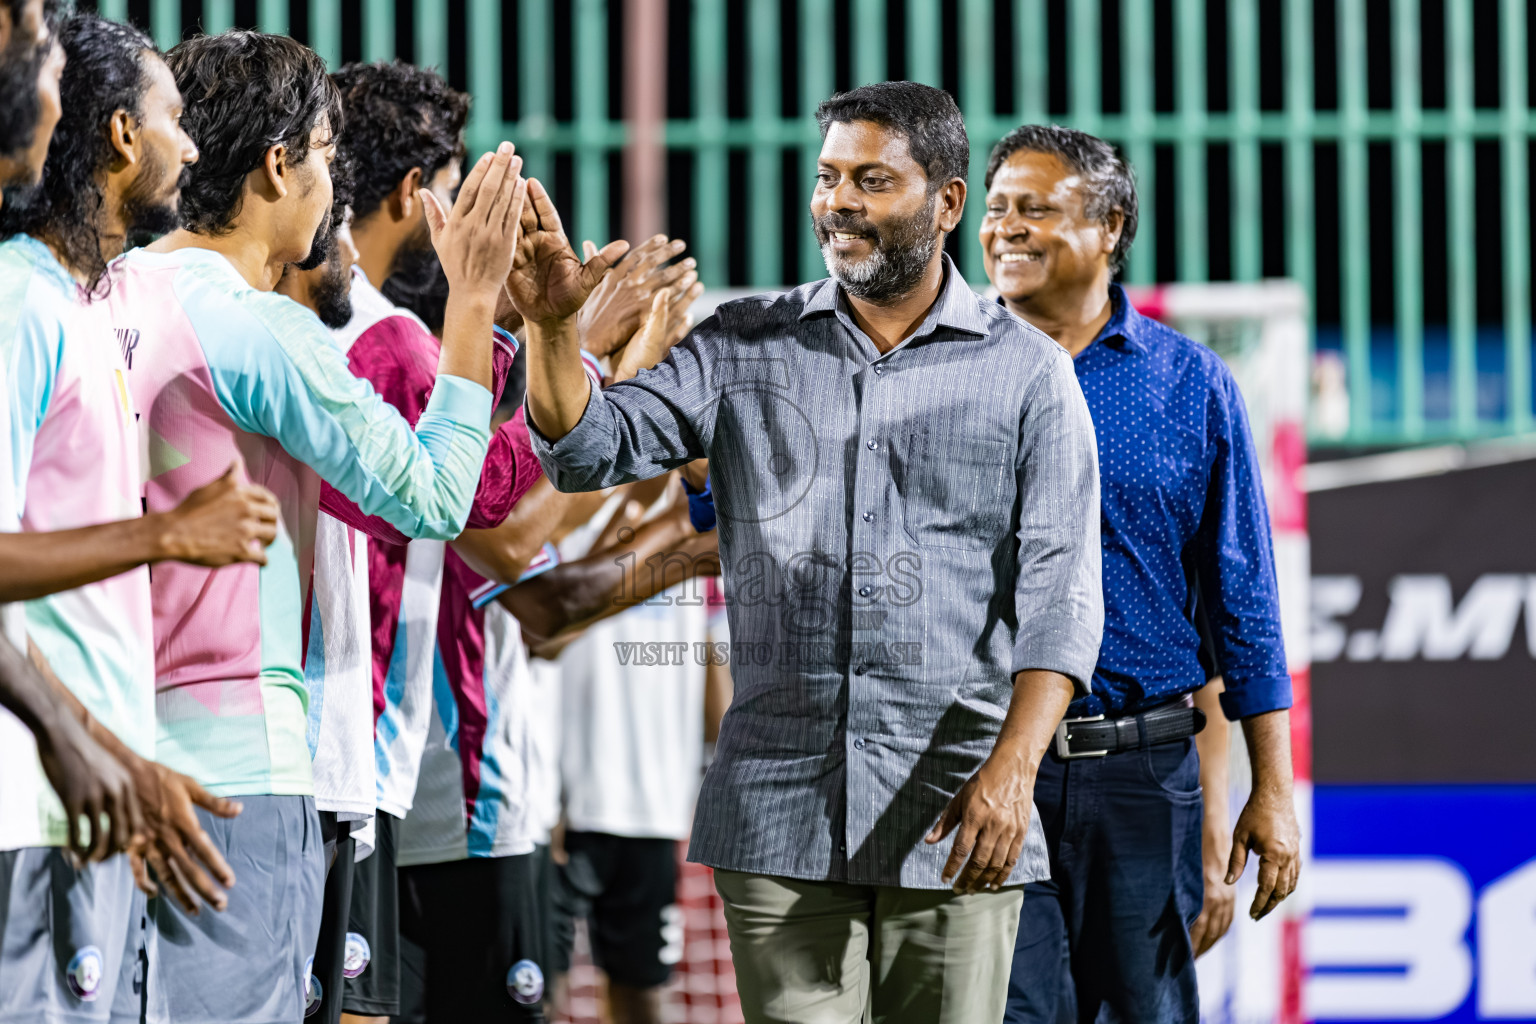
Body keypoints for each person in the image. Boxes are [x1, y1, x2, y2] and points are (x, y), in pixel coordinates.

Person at [518, 80, 1104, 1023]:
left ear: (947, 203)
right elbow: (587, 449)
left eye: (872, 180)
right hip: (779, 815)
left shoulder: (1028, 372)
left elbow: (1064, 598)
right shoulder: (742, 345)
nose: (838, 202)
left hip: (954, 813)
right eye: (829, 177)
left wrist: (1014, 770)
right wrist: (552, 330)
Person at [104, 29, 527, 1023]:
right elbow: (431, 497)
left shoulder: (108, 293)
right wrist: (474, 300)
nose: (333, 186)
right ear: (280, 162)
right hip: (236, 773)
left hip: (103, 758)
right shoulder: (260, 326)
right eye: (327, 155)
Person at [0, 14, 292, 1022]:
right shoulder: (16, 305)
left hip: (87, 800)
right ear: (122, 136)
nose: (195, 147)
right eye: (176, 118)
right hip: (24, 815)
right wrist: (166, 534)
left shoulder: (86, 306)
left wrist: (128, 759)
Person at [977, 126, 1300, 1023]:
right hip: (989, 765)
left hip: (1144, 774)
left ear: (1110, 225)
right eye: (996, 208)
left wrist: (1267, 789)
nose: (1004, 228)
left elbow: (1246, 606)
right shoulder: (944, 369)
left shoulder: (1191, 385)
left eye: (1033, 208)